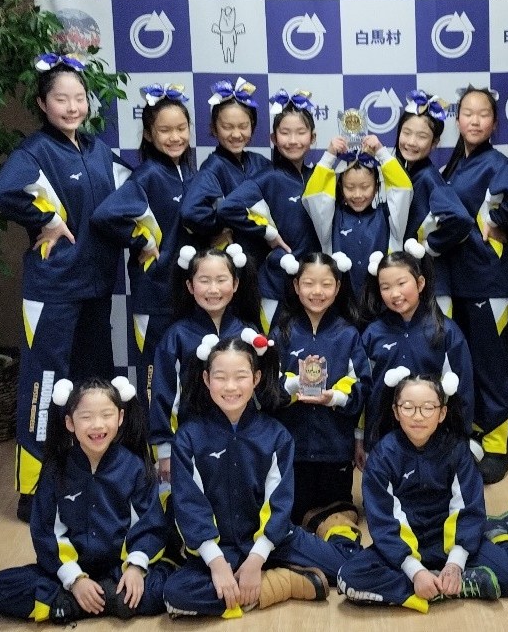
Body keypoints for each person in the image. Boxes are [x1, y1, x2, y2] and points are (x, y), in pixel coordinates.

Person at [0, 53, 125, 522]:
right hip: (53, 289)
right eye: (61, 99)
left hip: (96, 286)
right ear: (43, 104)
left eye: (78, 98)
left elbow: (127, 199)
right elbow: (0, 194)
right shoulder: (35, 152)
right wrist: (43, 218)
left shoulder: (98, 150)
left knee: (93, 383)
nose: (72, 107)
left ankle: (92, 474)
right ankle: (33, 489)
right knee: (45, 384)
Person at [163, 335, 362, 618]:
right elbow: (189, 506)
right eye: (220, 377)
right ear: (206, 379)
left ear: (256, 378)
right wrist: (217, 564)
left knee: (353, 570)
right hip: (223, 548)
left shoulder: (276, 435)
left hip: (274, 540)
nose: (230, 387)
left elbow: (278, 504)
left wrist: (257, 557)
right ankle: (285, 583)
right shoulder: (188, 438)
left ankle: (328, 525)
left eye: (240, 376)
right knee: (176, 595)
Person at [337, 370, 508, 613]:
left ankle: (496, 532)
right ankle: (448, 586)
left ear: (442, 413)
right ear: (396, 412)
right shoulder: (382, 457)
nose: (418, 416)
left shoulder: (456, 450)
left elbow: (467, 507)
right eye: (408, 407)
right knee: (349, 578)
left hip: (450, 537)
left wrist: (455, 564)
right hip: (405, 544)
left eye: (428, 408)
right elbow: (384, 522)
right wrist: (415, 571)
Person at [0, 377, 171, 623]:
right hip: (71, 569)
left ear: (120, 417)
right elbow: (45, 532)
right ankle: (102, 599)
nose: (97, 425)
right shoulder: (56, 470)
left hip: (119, 569)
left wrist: (135, 568)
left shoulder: (134, 467)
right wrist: (75, 580)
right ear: (70, 423)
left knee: (165, 585)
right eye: (86, 417)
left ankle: (71, 604)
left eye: (106, 415)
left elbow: (150, 524)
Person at [442, 86, 508, 485]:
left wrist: (496, 222)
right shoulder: (455, 164)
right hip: (460, 282)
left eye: (483, 114)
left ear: (495, 123)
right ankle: (477, 435)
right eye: (467, 113)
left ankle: (499, 445)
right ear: (457, 119)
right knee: (468, 365)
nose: (475, 120)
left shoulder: (496, 164)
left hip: (489, 282)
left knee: (492, 366)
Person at [91, 83, 196, 411]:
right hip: (154, 293)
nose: (175, 137)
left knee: (187, 371)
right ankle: (155, 439)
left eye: (181, 128)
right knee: (154, 371)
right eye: (165, 130)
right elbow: (105, 215)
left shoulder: (189, 173)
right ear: (149, 135)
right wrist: (144, 241)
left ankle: (182, 436)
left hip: (187, 293)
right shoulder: (148, 175)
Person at [270, 252, 371, 526]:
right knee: (293, 519)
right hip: (292, 446)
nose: (317, 291)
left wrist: (334, 398)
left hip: (335, 446)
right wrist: (294, 385)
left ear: (337, 288)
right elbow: (266, 388)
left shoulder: (348, 334)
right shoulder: (282, 333)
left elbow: (362, 386)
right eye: (309, 283)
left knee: (337, 516)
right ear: (296, 286)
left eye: (326, 284)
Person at [148, 244, 259, 484]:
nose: (213, 289)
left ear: (235, 284)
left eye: (221, 280)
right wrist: (165, 451)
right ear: (190, 286)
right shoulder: (176, 336)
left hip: (242, 441)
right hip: (191, 443)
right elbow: (163, 395)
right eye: (204, 281)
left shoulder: (248, 333)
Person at [218, 89, 322, 331]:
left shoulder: (318, 177)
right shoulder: (267, 177)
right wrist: (269, 233)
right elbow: (228, 208)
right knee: (270, 345)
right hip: (274, 284)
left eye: (301, 132)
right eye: (285, 133)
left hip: (312, 284)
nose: (293, 140)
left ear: (313, 137)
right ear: (273, 138)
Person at [360, 249, 473, 468]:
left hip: (434, 440)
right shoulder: (372, 333)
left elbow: (463, 392)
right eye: (385, 287)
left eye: (401, 283)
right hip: (382, 438)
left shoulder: (445, 331)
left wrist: (460, 439)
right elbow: (364, 390)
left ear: (420, 283)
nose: (394, 294)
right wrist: (361, 437)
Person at [302, 132, 412, 297]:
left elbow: (403, 188)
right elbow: (314, 195)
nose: (358, 195)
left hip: (383, 302)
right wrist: (329, 155)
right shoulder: (329, 220)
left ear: (376, 187)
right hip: (340, 303)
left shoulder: (390, 217)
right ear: (340, 188)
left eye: (365, 187)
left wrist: (381, 151)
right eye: (350, 187)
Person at [394, 90, 474, 316]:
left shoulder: (428, 177)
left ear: (435, 143)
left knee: (438, 337)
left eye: (421, 136)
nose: (411, 142)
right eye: (406, 133)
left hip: (433, 284)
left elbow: (461, 219)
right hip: (411, 281)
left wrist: (430, 246)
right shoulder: (403, 173)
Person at [180, 77, 271, 261]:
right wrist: (222, 226)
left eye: (243, 126)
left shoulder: (261, 163)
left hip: (265, 260)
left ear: (252, 127)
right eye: (227, 127)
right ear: (214, 129)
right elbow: (190, 212)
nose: (236, 134)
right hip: (231, 262)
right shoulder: (213, 167)